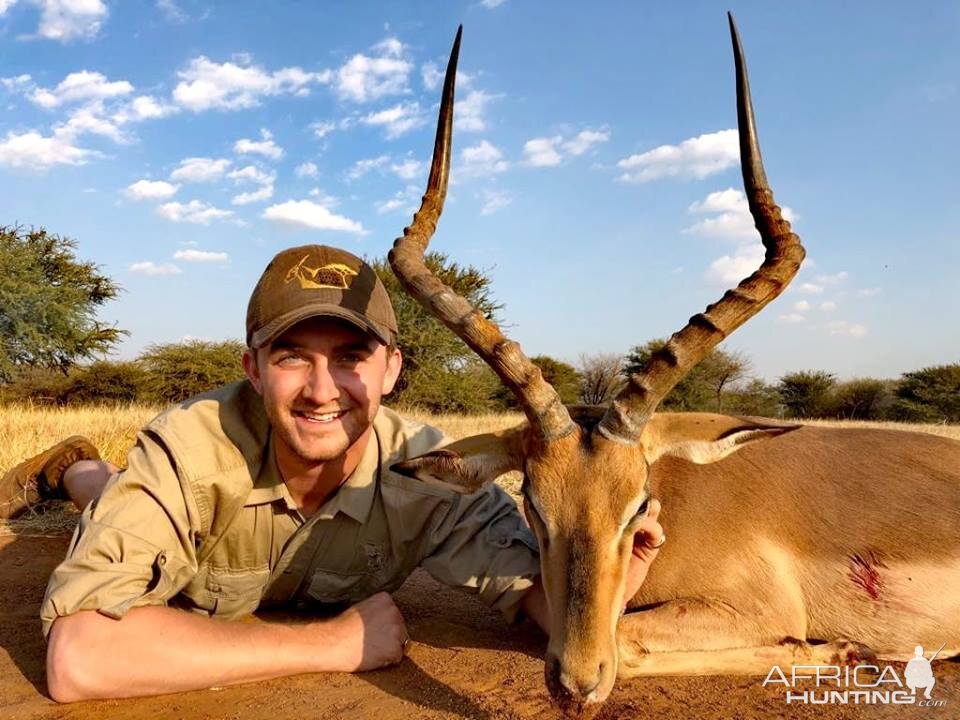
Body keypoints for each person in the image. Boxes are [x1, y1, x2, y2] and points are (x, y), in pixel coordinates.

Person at [0, 244, 665, 703]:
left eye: (351, 357)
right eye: (293, 357)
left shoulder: (432, 468)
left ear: (392, 370)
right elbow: (80, 659)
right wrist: (332, 646)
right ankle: (80, 471)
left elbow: (549, 612)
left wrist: (615, 579)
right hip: (184, 506)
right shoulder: (186, 448)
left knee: (109, 491)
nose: (323, 390)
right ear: (253, 369)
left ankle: (85, 473)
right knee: (112, 493)